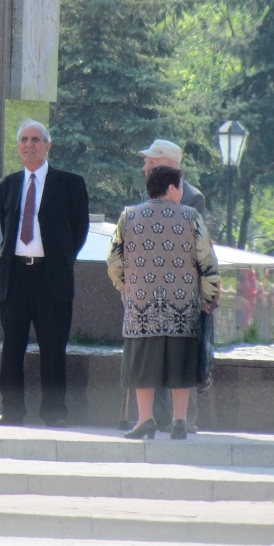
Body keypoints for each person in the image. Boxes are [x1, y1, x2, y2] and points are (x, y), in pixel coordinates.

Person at [0, 120, 90, 428]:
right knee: (12, 346)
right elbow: (8, 228)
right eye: (23, 140)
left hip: (51, 277)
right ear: (17, 146)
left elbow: (79, 230)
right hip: (15, 276)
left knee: (53, 346)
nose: (29, 145)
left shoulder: (70, 183)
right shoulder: (8, 184)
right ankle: (12, 410)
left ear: (48, 146)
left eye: (35, 139)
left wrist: (61, 259)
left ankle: (55, 413)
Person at [108, 165, 221, 440]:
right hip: (183, 307)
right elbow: (208, 261)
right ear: (171, 188)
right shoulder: (191, 217)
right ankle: (180, 421)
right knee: (180, 363)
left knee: (141, 365)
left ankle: (145, 419)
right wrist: (207, 297)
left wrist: (126, 288)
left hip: (141, 307)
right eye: (180, 187)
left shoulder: (128, 216)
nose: (182, 193)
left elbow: (113, 261)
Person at [137, 138, 209, 432]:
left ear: (168, 165)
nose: (144, 167)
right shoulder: (149, 192)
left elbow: (197, 248)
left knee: (179, 356)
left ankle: (183, 419)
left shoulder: (191, 198)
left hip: (180, 291)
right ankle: (156, 416)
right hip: (150, 290)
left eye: (151, 162)